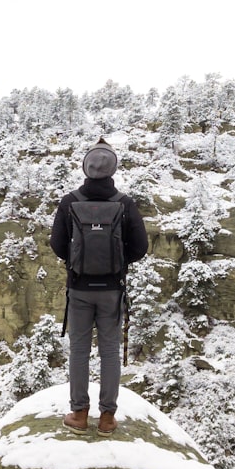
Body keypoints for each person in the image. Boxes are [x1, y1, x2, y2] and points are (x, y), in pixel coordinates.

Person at [50, 138, 148, 436]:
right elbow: (140, 247)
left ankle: (79, 414)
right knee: (109, 351)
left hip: (79, 289)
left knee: (79, 350)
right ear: (112, 169)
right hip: (112, 290)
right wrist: (117, 265)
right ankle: (107, 418)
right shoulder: (124, 203)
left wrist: (76, 263)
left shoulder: (70, 202)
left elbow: (56, 244)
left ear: (86, 168)